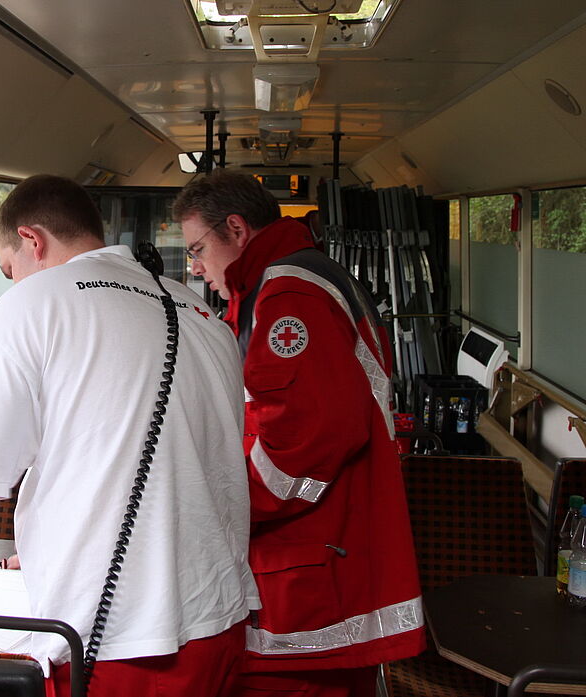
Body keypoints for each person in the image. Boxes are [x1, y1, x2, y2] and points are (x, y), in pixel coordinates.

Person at [0, 174, 259, 697]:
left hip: (119, 644)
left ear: (31, 240)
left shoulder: (29, 308)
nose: (13, 284)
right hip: (221, 621)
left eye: (9, 270)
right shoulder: (202, 312)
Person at [172, 170, 425, 697]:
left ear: (236, 229)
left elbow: (301, 445)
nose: (195, 266)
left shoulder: (290, 296)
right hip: (320, 552)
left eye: (198, 249)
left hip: (309, 567)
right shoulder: (283, 281)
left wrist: (218, 505)